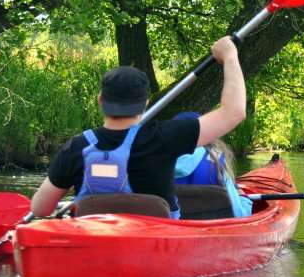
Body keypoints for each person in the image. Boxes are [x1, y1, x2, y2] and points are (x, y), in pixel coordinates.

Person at [31, 36, 246, 219]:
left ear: (100, 100)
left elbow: (40, 209)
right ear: (145, 104)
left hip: (94, 247)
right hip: (158, 249)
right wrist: (229, 56)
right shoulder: (165, 138)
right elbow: (234, 112)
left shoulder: (76, 148)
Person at [172, 112, 252, 217]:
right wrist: (243, 197)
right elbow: (240, 214)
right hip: (212, 230)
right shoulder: (217, 164)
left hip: (170, 228)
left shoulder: (155, 164)